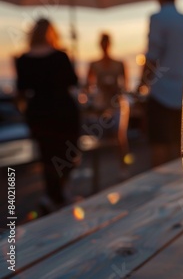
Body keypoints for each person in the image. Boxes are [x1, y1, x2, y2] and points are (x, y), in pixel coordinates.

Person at [15, 18, 80, 213]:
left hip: (39, 113)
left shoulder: (23, 59)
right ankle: (57, 195)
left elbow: (22, 89)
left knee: (47, 156)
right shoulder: (60, 56)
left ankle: (54, 195)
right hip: (63, 111)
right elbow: (73, 81)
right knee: (68, 152)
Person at [138, 0, 183, 166]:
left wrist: (141, 84)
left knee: (159, 147)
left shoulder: (157, 18)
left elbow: (153, 57)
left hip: (161, 92)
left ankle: (162, 191)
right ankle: (182, 189)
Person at [86, 32, 131, 173]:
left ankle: (124, 165)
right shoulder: (94, 64)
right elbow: (87, 86)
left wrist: (114, 89)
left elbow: (125, 86)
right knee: (100, 137)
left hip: (117, 104)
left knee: (120, 136)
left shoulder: (119, 63)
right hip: (102, 105)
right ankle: (102, 170)